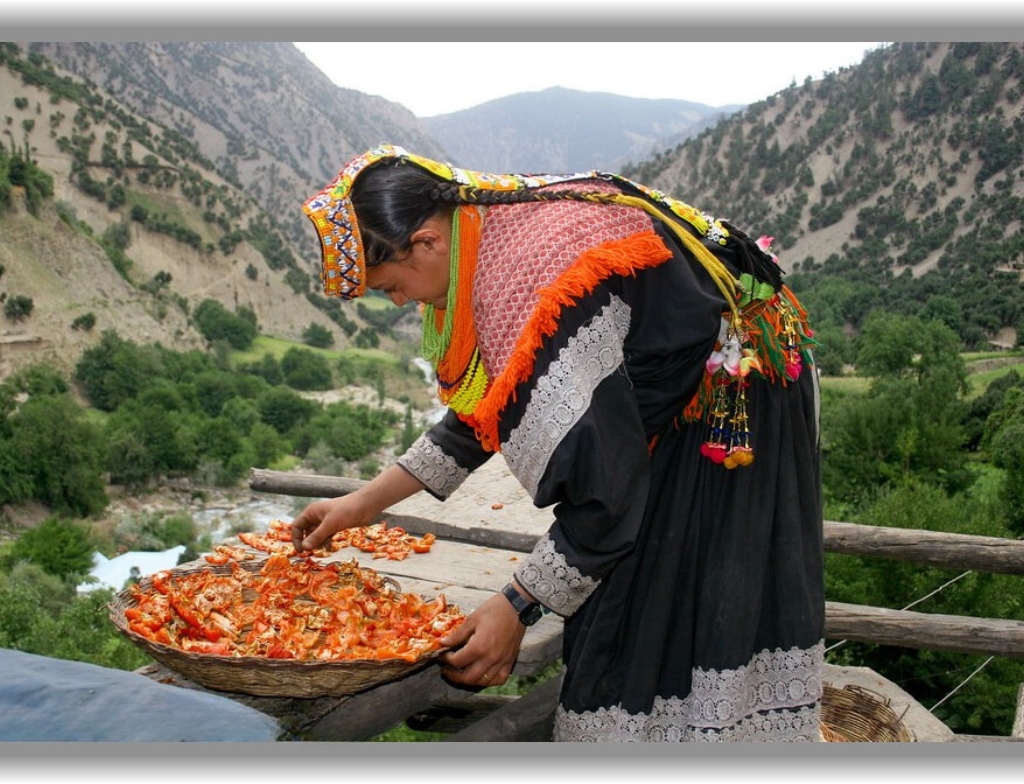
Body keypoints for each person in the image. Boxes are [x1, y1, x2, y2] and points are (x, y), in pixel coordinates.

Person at [291, 144, 824, 742]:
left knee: (655, 617)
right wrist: (362, 504)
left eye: (391, 284)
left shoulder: (517, 279)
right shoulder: (483, 231)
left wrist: (516, 605)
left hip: (726, 406)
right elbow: (486, 410)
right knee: (641, 603)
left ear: (426, 242)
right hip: (685, 397)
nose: (398, 301)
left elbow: (607, 495)